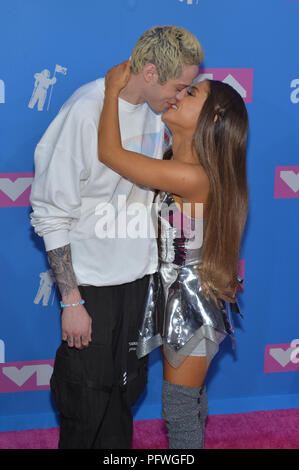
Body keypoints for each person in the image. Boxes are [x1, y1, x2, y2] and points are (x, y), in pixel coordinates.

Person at [29, 25, 204, 449]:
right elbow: (51, 213)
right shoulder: (87, 110)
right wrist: (72, 301)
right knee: (85, 407)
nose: (181, 97)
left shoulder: (157, 114)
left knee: (125, 399)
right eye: (179, 86)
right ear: (149, 72)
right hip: (92, 290)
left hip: (139, 286)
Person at [98, 59, 249, 449]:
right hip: (176, 295)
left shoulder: (193, 176)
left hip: (190, 305)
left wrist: (112, 92)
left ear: (213, 118)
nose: (179, 94)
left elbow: (110, 154)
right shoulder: (177, 162)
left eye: (191, 92)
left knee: (180, 411)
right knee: (188, 404)